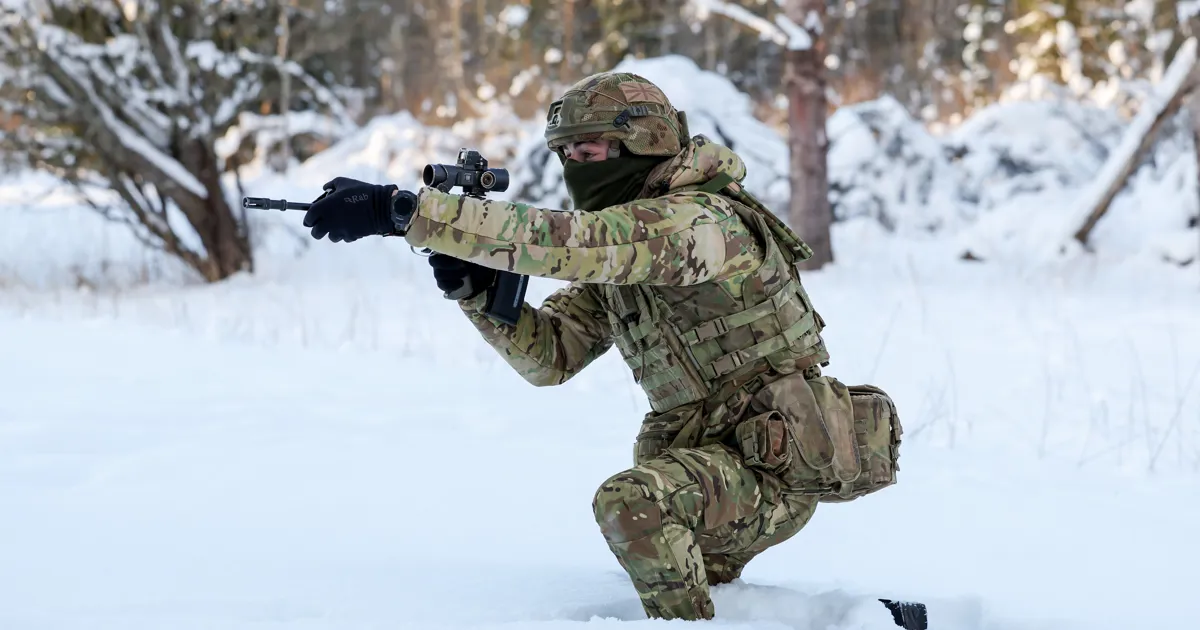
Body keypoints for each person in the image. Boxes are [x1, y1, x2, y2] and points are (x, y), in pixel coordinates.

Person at [300, 71, 910, 625]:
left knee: (633, 505)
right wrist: (477, 293)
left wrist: (405, 212)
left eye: (587, 153)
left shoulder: (700, 222)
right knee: (705, 587)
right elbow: (551, 356)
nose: (574, 166)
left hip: (773, 468)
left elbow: (575, 243)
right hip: (712, 461)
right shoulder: (630, 252)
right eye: (565, 154)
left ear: (641, 143)